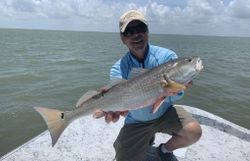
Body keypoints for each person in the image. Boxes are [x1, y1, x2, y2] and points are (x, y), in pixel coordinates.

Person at [96, 10, 202, 161]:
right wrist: (112, 109)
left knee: (193, 131)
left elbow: (176, 95)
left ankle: (164, 150)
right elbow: (119, 98)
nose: (136, 34)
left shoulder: (167, 57)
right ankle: (146, 137)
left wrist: (175, 89)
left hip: (164, 114)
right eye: (129, 31)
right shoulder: (118, 68)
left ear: (147, 32)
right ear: (122, 39)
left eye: (140, 28)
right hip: (137, 122)